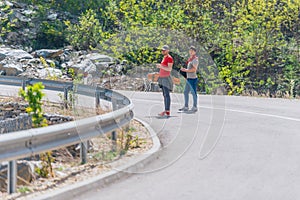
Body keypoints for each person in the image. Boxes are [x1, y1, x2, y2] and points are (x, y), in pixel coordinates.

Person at [179, 46, 199, 112]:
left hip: (193, 78)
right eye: (190, 51)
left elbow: (194, 69)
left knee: (193, 93)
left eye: (192, 51)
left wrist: (186, 70)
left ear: (195, 52)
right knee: (185, 92)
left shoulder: (195, 59)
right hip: (189, 78)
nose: (191, 52)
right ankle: (186, 106)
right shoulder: (190, 59)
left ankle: (195, 106)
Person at [156, 45, 173, 117]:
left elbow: (169, 69)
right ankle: (166, 110)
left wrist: (161, 66)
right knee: (164, 94)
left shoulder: (169, 58)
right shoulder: (164, 58)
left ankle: (167, 110)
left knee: (166, 94)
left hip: (166, 78)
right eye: (162, 50)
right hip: (162, 77)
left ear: (168, 50)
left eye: (164, 50)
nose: (163, 51)